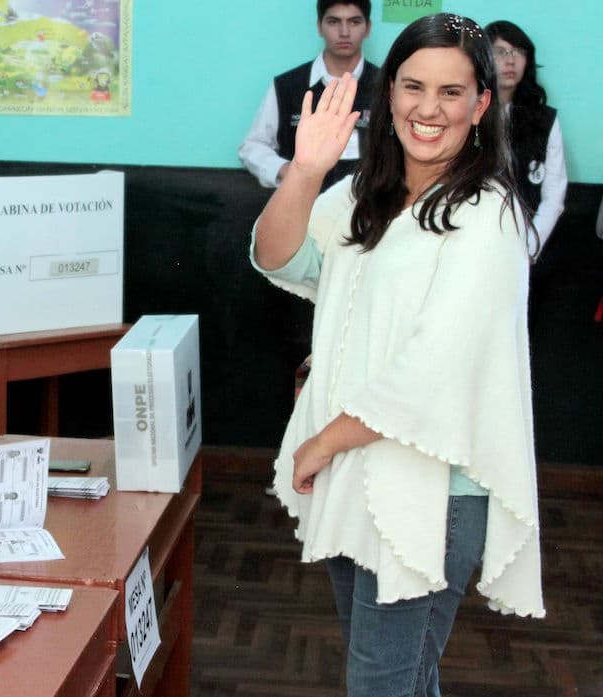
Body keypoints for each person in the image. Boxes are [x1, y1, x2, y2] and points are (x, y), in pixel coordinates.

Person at [250, 13, 544, 695]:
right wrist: (306, 169)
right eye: (414, 87)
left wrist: (322, 442)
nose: (428, 108)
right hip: (358, 471)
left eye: (451, 91)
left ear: (480, 104)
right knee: (401, 680)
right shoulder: (366, 192)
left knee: (384, 684)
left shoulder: (489, 214)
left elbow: (435, 365)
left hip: (433, 488)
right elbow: (278, 255)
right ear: (390, 93)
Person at [239, 0, 377, 192]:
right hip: (300, 202)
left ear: (368, 28)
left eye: (354, 22)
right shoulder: (286, 86)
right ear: (319, 26)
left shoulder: (386, 87)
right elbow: (252, 146)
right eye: (333, 22)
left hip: (366, 204)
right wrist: (287, 171)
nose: (344, 32)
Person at [485, 20, 567, 259]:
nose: (510, 60)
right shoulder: (467, 113)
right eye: (500, 52)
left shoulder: (544, 119)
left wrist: (528, 250)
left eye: (518, 52)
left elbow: (554, 196)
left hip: (526, 240)